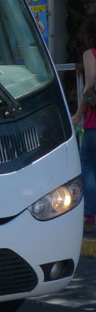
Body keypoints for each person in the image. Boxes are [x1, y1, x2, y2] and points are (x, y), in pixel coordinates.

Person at [72, 45, 96, 231]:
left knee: (88, 166)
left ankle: (89, 216)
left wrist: (78, 115)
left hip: (93, 125)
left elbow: (88, 90)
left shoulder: (91, 54)